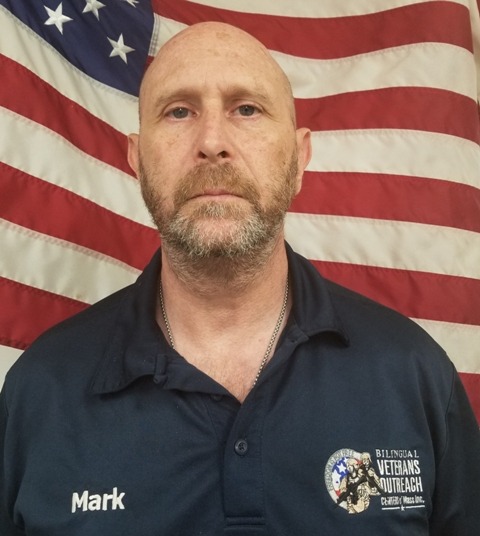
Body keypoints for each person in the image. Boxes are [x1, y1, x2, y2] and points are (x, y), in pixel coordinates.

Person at [1, 21, 479, 536]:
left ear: (299, 159)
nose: (212, 142)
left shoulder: (413, 373)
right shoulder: (40, 391)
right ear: (137, 161)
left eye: (246, 109)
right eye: (179, 111)